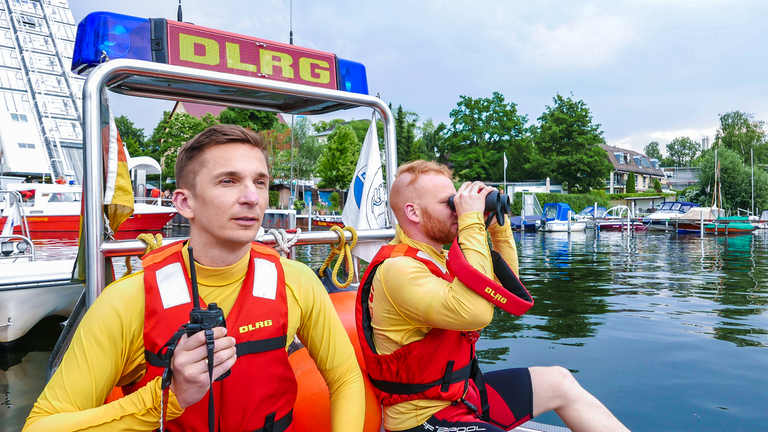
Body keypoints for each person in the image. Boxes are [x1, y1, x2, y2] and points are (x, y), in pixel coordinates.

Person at [24, 124, 365, 432]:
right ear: (185, 203)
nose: (251, 197)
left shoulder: (297, 281)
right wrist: (169, 398)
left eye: (260, 182)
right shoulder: (129, 300)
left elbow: (346, 377)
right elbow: (41, 425)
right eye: (229, 181)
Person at [356, 160, 630, 432]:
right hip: (422, 418)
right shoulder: (398, 270)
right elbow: (477, 312)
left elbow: (502, 287)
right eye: (449, 203)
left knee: (559, 381)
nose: (457, 209)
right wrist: (470, 221)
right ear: (413, 212)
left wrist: (498, 227)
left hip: (461, 396)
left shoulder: (436, 258)